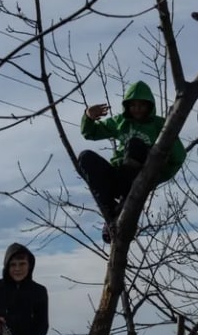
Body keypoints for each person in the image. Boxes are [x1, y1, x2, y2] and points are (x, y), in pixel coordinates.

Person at [79, 81, 186, 243]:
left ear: (149, 106)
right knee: (85, 157)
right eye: (133, 105)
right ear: (127, 106)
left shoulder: (159, 125)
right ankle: (112, 216)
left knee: (135, 144)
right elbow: (90, 133)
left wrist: (156, 178)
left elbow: (178, 156)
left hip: (138, 178)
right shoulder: (121, 122)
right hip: (118, 175)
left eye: (142, 105)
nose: (137, 109)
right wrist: (88, 117)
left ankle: (125, 206)